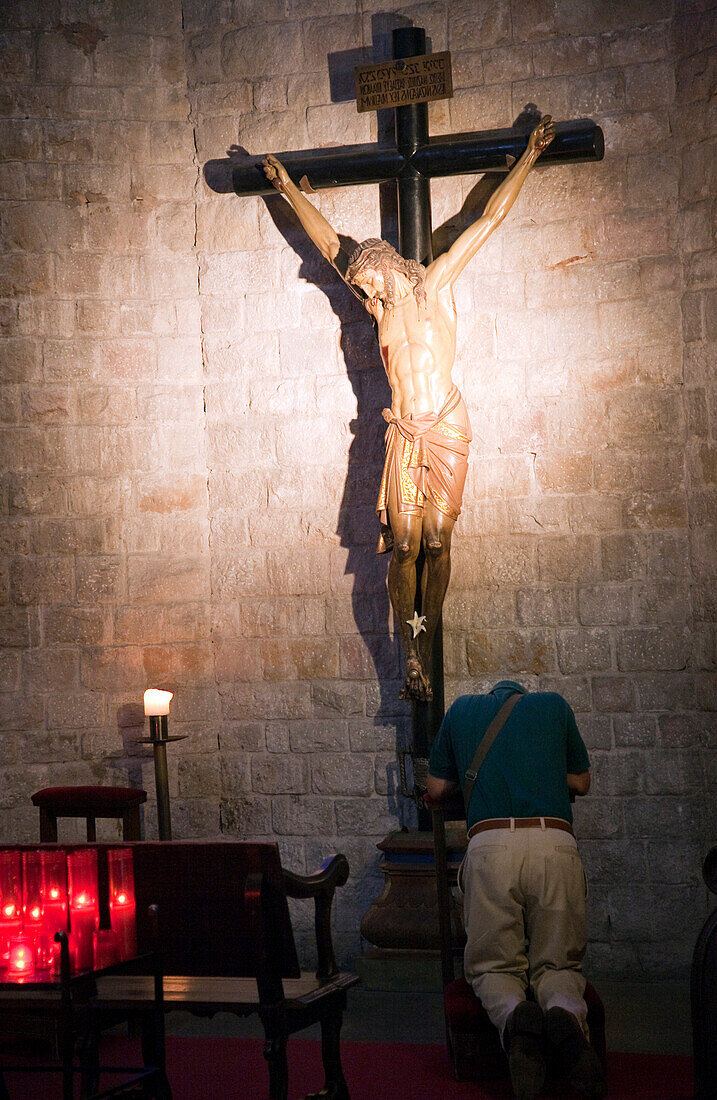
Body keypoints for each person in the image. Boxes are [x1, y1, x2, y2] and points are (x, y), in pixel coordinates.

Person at [262, 116, 555, 704]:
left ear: (391, 267)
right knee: (403, 544)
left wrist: (528, 155)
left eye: (370, 289)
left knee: (439, 542)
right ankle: (412, 654)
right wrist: (289, 188)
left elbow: (488, 220)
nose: (366, 300)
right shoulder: (381, 309)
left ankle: (428, 628)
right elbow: (328, 246)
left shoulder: (437, 284)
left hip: (444, 424)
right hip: (404, 433)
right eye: (363, 292)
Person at [426, 680, 604, 1100]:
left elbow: (435, 789)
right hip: (554, 844)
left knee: (494, 967)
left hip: (491, 847)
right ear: (522, 693)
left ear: (491, 694)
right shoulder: (556, 706)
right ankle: (563, 1016)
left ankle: (515, 1019)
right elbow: (582, 782)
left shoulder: (462, 709)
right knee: (559, 963)